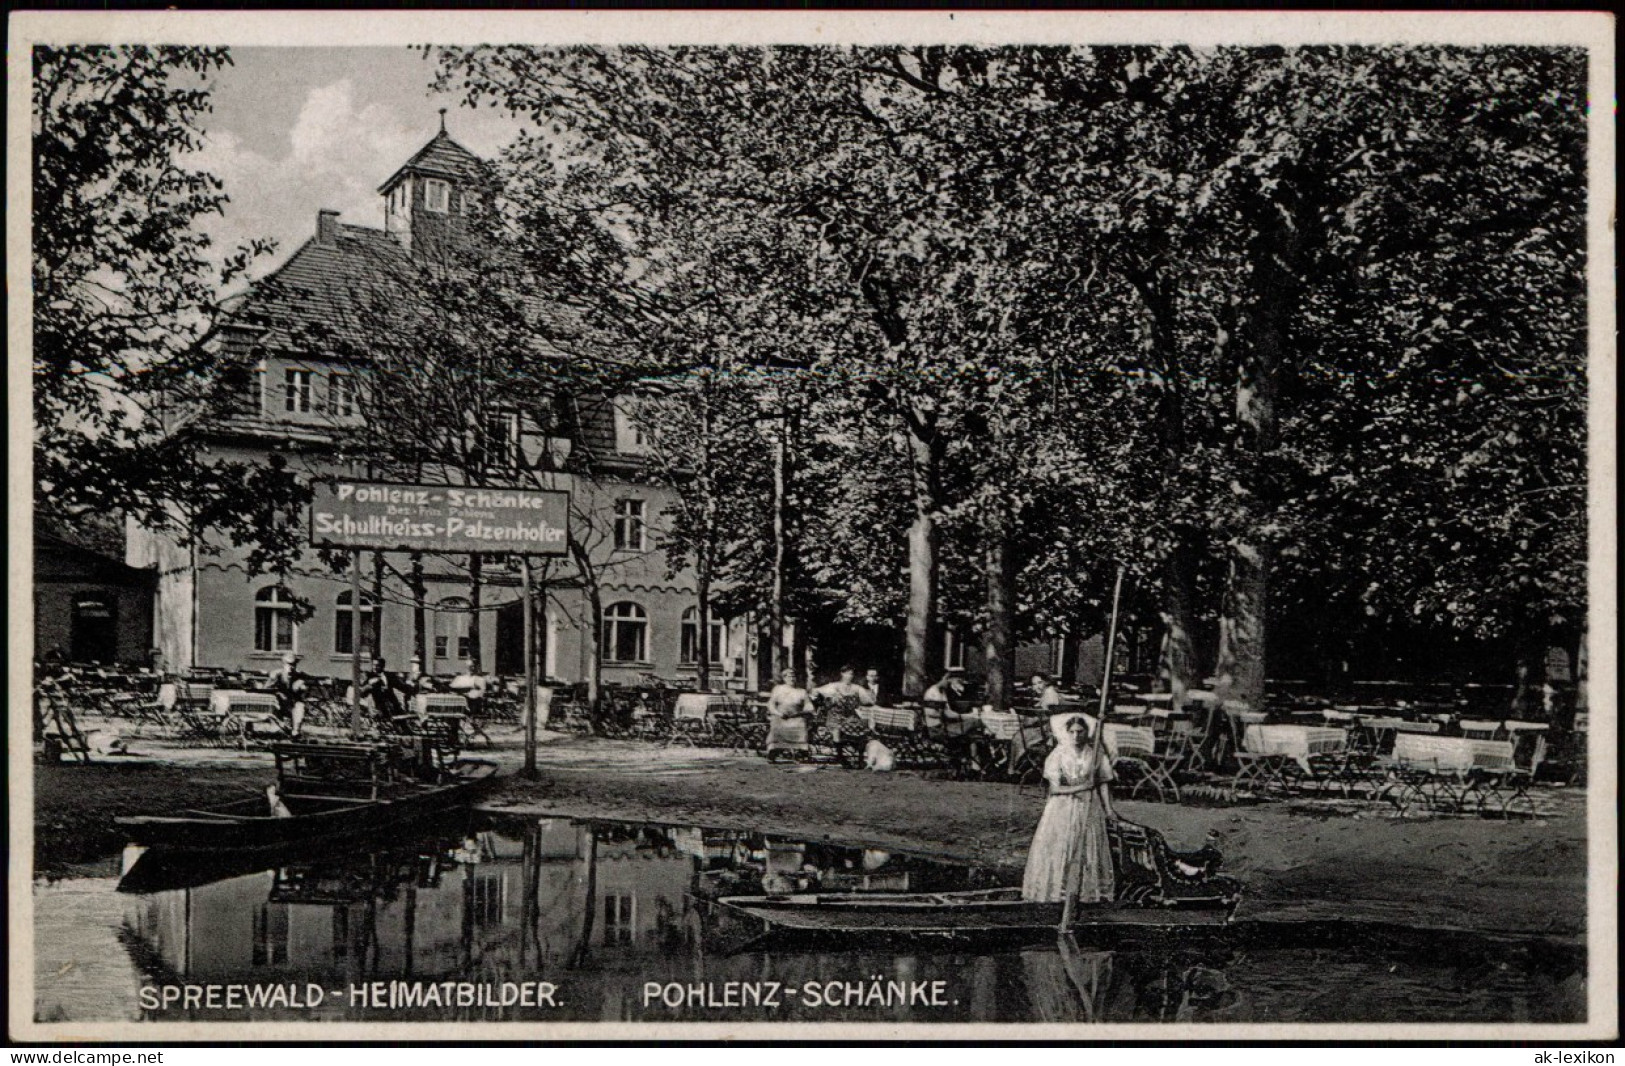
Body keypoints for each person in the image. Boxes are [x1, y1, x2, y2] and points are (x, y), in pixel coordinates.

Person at [1021, 712, 1117, 904]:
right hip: (1062, 806)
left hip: (1088, 806)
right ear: (1066, 732)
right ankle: (1058, 889)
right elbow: (1055, 789)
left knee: (1087, 846)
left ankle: (1082, 889)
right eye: (1072, 732)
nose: (1076, 736)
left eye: (1080, 732)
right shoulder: (1059, 754)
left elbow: (1103, 782)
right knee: (1061, 844)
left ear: (1086, 733)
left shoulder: (1095, 753)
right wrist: (1081, 787)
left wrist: (1108, 809)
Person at [765, 668, 815, 760]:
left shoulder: (801, 691)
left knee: (801, 723)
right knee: (776, 724)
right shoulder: (778, 689)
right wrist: (778, 713)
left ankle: (801, 751)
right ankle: (774, 751)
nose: (791, 679)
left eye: (793, 676)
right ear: (784, 678)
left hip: (796, 717)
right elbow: (771, 704)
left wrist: (806, 710)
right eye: (789, 676)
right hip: (781, 717)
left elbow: (808, 705)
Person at [266, 652, 308, 737]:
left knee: (300, 706)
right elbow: (266, 689)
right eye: (289, 664)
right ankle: (276, 728)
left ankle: (295, 731)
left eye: (294, 664)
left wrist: (303, 684)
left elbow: (311, 680)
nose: (292, 667)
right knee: (273, 704)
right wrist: (278, 693)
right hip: (278, 703)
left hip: (292, 704)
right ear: (284, 664)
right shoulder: (277, 674)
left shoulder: (299, 675)